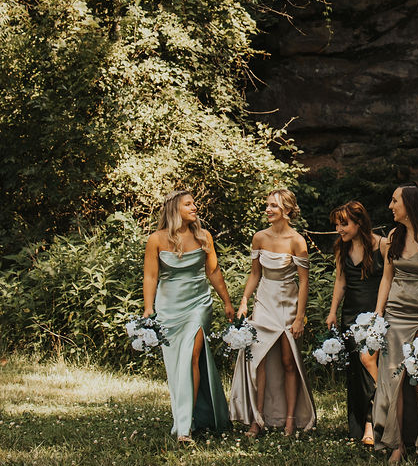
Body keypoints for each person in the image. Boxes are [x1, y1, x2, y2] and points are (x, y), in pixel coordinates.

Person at [142, 190, 233, 443]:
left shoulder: (204, 237)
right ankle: (188, 417)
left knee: (192, 356)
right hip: (169, 307)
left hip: (198, 304)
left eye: (194, 203)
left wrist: (226, 301)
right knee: (177, 365)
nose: (195, 207)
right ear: (174, 209)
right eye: (188, 204)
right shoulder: (156, 240)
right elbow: (150, 276)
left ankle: (185, 427)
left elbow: (213, 272)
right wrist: (149, 308)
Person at [229, 188, 316, 437]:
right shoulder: (260, 238)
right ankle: (257, 418)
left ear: (287, 210)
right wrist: (245, 300)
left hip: (288, 304)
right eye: (267, 205)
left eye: (273, 206)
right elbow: (255, 273)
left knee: (289, 361)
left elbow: (304, 282)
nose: (268, 210)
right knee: (259, 361)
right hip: (264, 302)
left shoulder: (297, 241)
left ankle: (290, 419)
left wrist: (300, 317)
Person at [372, 183, 418, 464]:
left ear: (410, 204)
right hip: (395, 316)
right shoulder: (394, 236)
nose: (390, 206)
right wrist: (379, 314)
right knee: (392, 380)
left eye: (395, 201)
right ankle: (397, 444)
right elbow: (387, 278)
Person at [325, 200, 387, 444]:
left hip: (375, 313)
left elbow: (387, 280)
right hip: (350, 314)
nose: (339, 229)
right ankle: (360, 425)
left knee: (370, 365)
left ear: (359, 222)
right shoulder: (342, 247)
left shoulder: (381, 244)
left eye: (344, 224)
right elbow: (340, 281)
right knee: (356, 371)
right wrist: (332, 312)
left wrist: (380, 313)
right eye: (337, 225)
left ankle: (374, 423)